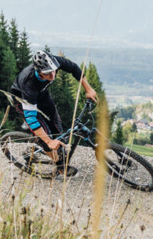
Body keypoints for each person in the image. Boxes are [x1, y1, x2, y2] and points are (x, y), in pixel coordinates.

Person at [10, 49, 98, 177]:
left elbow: (74, 68)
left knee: (57, 128)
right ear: (39, 72)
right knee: (46, 137)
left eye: (54, 70)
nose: (53, 76)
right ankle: (59, 165)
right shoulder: (28, 83)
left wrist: (88, 89)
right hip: (22, 100)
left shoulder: (54, 62)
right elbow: (31, 119)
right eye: (48, 73)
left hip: (42, 96)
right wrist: (49, 142)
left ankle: (53, 149)